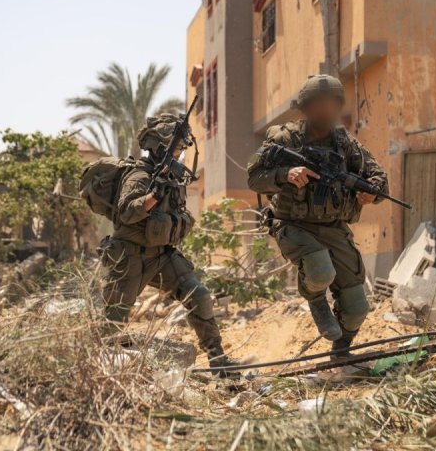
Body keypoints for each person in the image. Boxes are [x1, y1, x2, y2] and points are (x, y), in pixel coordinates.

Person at [247, 75, 389, 358]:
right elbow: (254, 176)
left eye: (332, 103)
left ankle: (341, 351)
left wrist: (372, 192)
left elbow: (378, 178)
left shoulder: (345, 143)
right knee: (321, 271)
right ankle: (314, 298)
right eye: (318, 103)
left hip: (334, 228)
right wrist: (285, 174)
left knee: (357, 307)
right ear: (305, 107)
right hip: (293, 224)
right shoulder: (284, 139)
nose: (325, 110)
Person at [99, 113, 239, 377]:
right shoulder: (139, 176)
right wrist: (153, 195)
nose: (180, 152)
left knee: (198, 295)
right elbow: (126, 212)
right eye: (177, 147)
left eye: (182, 147)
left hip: (162, 255)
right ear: (159, 147)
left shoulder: (172, 178)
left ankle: (218, 361)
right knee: (113, 319)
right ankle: (102, 371)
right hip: (130, 256)